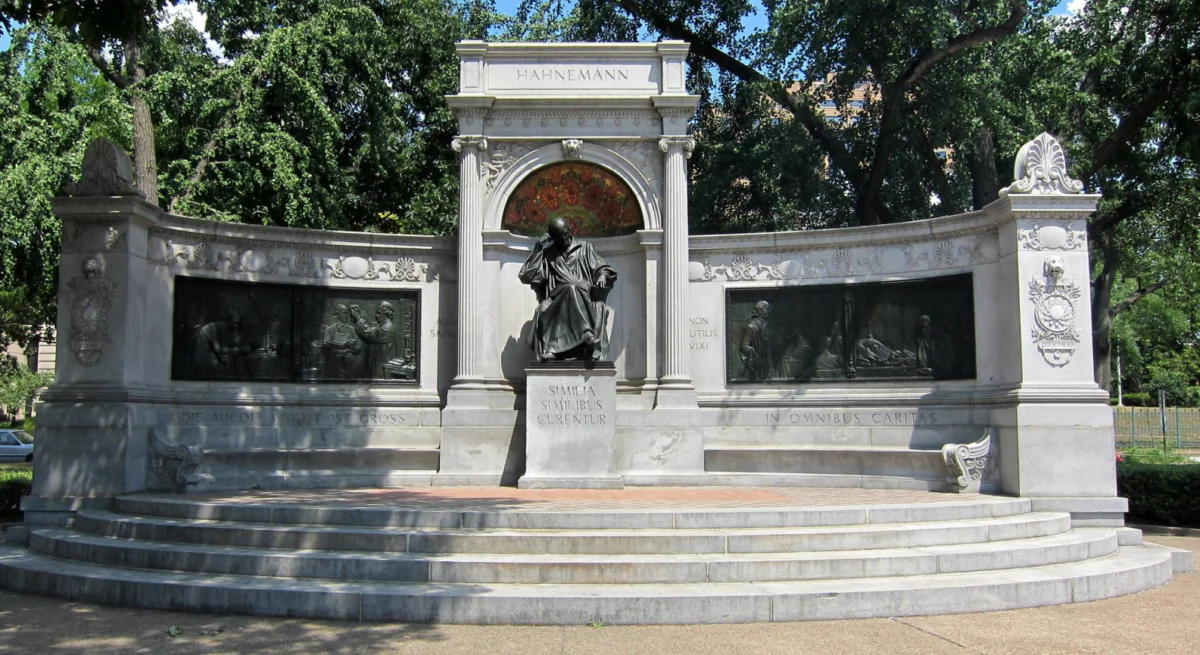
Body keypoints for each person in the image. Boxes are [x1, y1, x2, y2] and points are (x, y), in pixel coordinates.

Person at [518, 217, 617, 361]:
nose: (564, 237)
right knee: (569, 289)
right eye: (559, 236)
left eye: (565, 233)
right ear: (552, 238)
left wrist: (602, 275)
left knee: (573, 287)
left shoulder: (585, 248)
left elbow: (603, 267)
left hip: (584, 291)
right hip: (557, 297)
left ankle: (554, 349)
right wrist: (538, 250)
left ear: (570, 228)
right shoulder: (548, 254)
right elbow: (527, 276)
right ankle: (588, 337)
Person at [739, 301, 772, 381]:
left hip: (768, 364)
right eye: (767, 309)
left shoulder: (767, 326)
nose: (769, 311)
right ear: (761, 311)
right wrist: (754, 355)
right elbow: (744, 347)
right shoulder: (751, 327)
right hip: (756, 367)